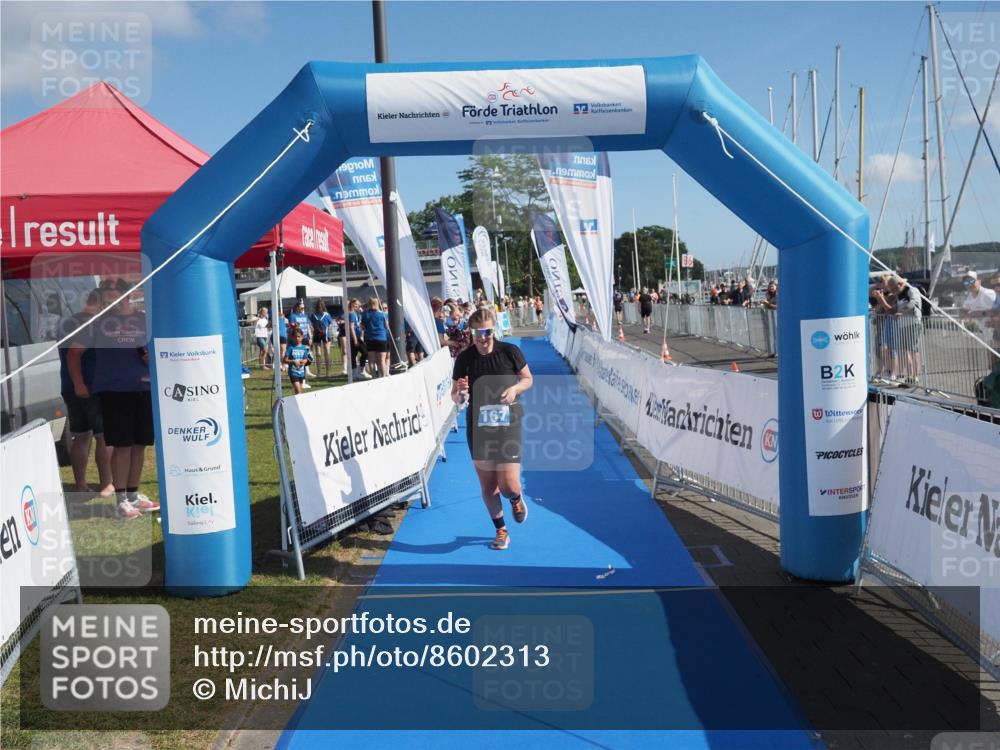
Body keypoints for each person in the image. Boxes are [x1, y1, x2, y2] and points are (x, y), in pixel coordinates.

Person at [77, 279, 159, 519]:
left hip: (144, 389)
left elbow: (155, 350)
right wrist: (80, 384)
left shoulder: (145, 319)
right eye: (105, 295)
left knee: (140, 444)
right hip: (114, 392)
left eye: (112, 294)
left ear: (127, 295)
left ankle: (133, 494)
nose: (108, 299)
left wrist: (149, 358)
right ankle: (121, 499)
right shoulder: (98, 322)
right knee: (121, 446)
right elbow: (75, 353)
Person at [451, 309, 533, 550]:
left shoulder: (509, 352)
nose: (482, 337)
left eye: (486, 331)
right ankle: (501, 530)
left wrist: (515, 390)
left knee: (508, 485)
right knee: (488, 486)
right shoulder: (464, 359)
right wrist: (462, 392)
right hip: (479, 427)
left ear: (493, 330)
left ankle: (516, 499)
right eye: (477, 332)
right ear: (471, 332)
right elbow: (456, 397)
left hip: (508, 424)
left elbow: (528, 379)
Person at [61, 288, 114, 496]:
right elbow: (74, 354)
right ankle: (106, 485)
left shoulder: (67, 322)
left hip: (70, 387)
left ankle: (81, 485)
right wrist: (80, 384)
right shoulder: (93, 323)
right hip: (89, 387)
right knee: (105, 437)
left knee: (80, 436)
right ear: (101, 303)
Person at [361, 297, 389, 378]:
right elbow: (386, 326)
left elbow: (362, 327)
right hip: (381, 338)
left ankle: (374, 377)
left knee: (371, 360)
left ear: (369, 303)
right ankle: (383, 377)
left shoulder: (365, 314)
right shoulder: (382, 314)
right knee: (382, 360)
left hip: (370, 338)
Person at [283, 328, 312, 394]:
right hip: (293, 373)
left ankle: (296, 403)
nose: (297, 338)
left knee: (299, 392)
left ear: (302, 337)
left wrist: (304, 361)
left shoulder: (304, 348)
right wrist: (293, 362)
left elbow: (306, 359)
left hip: (301, 373)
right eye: (295, 337)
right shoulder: (290, 348)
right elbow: (284, 360)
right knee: (299, 391)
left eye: (299, 336)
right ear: (292, 337)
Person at [347, 298, 370, 380]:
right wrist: (355, 339)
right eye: (356, 304)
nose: (357, 306)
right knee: (360, 353)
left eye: (358, 305)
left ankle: (359, 371)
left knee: (361, 353)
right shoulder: (352, 314)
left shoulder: (355, 314)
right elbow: (351, 327)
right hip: (354, 337)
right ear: (352, 304)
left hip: (357, 336)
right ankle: (357, 372)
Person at [309, 300, 333, 377]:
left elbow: (330, 324)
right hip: (319, 334)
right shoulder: (314, 315)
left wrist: (329, 331)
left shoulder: (325, 315)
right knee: (320, 353)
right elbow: (311, 324)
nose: (319, 307)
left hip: (324, 335)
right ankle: (321, 372)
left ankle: (326, 372)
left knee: (325, 353)